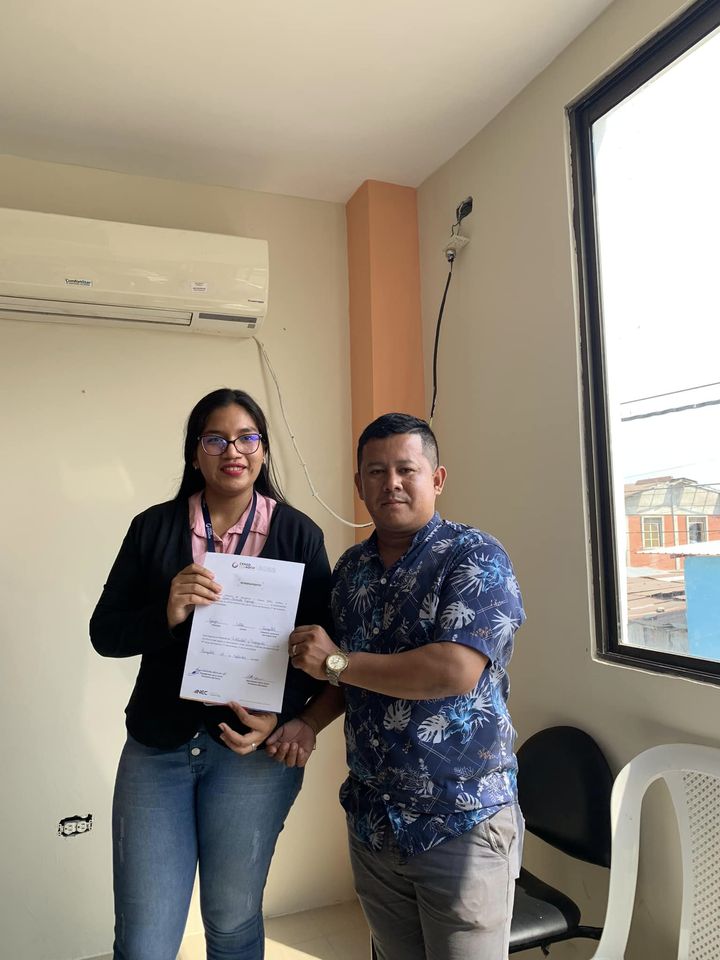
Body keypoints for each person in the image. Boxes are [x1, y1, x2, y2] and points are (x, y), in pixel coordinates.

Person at [267, 412, 526, 960]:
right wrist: (308, 721)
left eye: (407, 469)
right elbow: (344, 676)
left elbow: (452, 670)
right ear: (359, 484)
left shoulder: (475, 556)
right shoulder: (350, 570)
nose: (392, 483)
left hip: (460, 822)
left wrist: (335, 661)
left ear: (437, 478)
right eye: (376, 472)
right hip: (374, 820)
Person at [90, 388, 331, 960]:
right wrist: (166, 612)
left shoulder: (299, 534)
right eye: (216, 439)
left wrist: (281, 715)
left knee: (232, 924)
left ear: (264, 450)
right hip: (158, 749)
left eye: (247, 438)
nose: (233, 451)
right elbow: (105, 633)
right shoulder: (153, 528)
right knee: (145, 941)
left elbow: (322, 651)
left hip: (252, 755)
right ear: (195, 452)